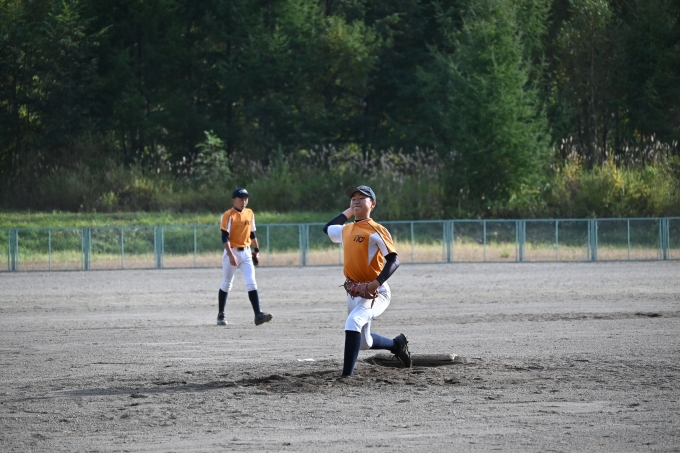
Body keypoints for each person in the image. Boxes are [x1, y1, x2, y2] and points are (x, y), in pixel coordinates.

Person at [323, 185, 412, 377]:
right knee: (364, 342)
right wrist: (351, 210)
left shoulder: (376, 229)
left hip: (376, 292)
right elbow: (326, 228)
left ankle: (346, 377)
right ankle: (397, 345)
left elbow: (394, 260)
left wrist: (375, 283)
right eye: (353, 198)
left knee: (353, 322)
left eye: (362, 198)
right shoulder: (346, 229)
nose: (356, 200)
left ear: (373, 204)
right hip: (354, 291)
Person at [216, 188, 273, 327]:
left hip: (246, 252)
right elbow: (224, 237)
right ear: (233, 200)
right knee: (227, 284)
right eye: (241, 199)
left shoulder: (249, 213)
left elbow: (252, 234)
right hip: (232, 251)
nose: (244, 202)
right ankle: (221, 314)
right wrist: (231, 256)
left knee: (251, 283)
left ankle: (258, 315)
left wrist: (256, 250)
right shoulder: (228, 215)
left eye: (246, 199)